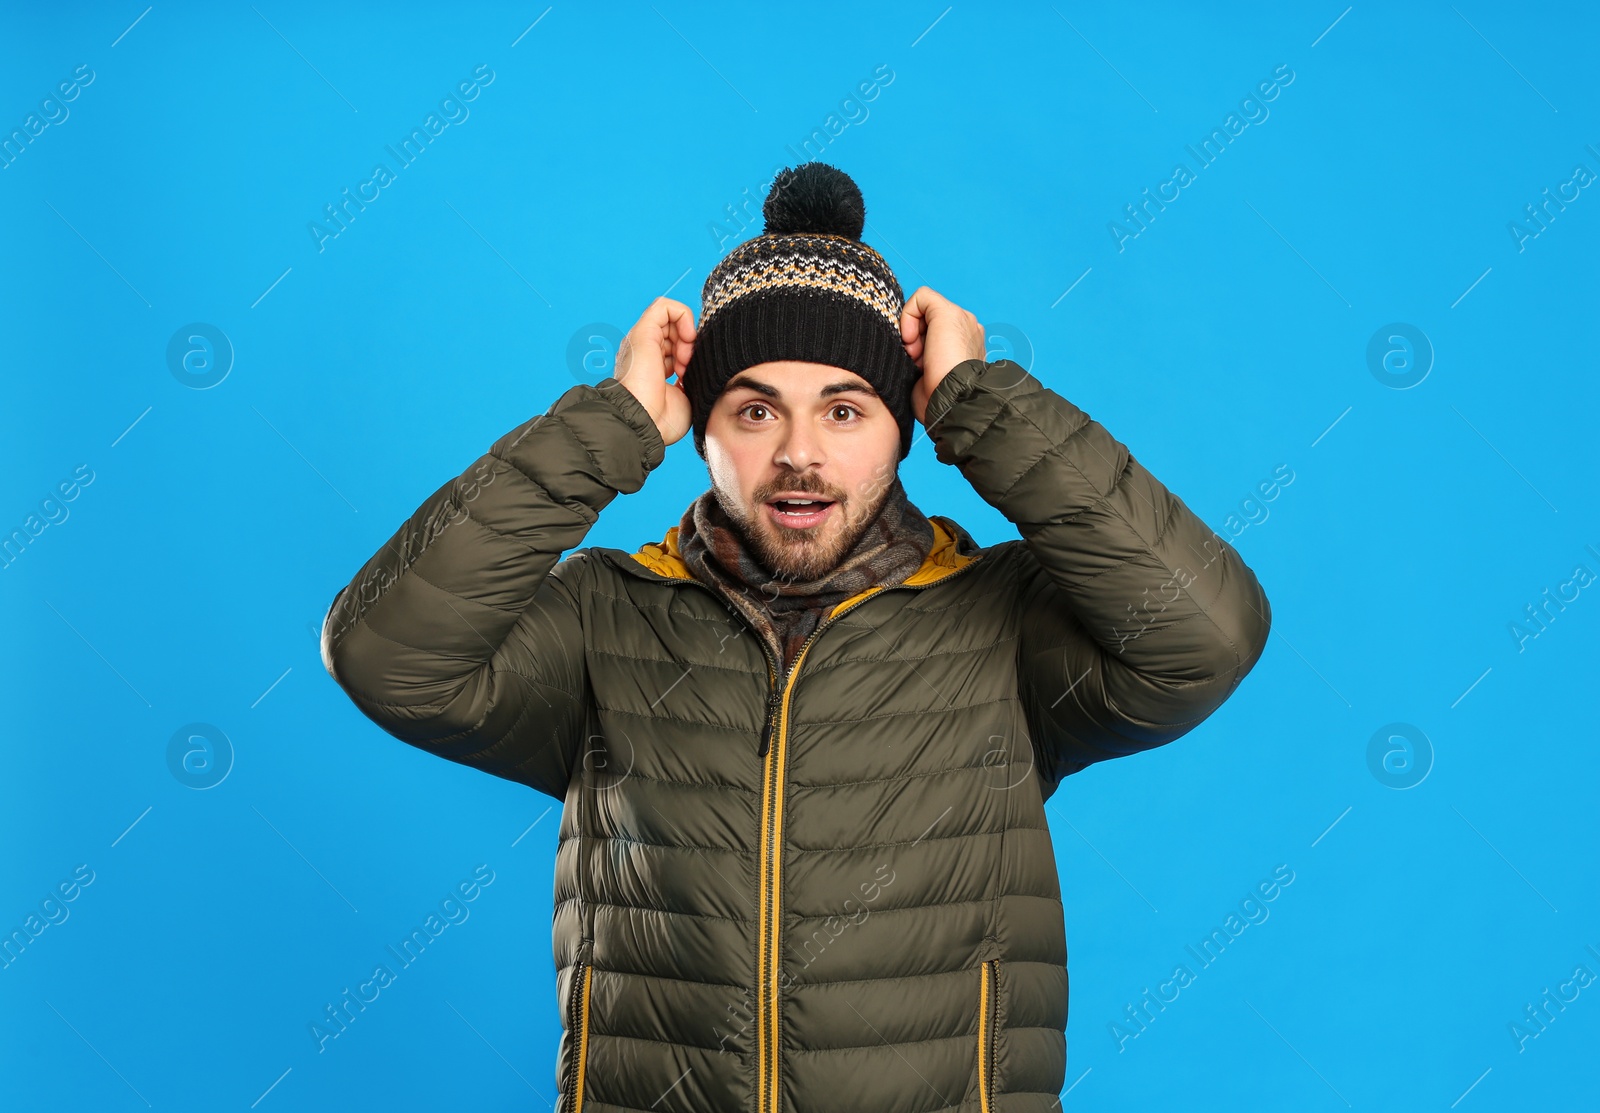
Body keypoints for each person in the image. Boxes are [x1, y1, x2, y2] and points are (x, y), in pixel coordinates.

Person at [321, 162, 1271, 1112]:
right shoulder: (603, 617)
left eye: (847, 409)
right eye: (755, 409)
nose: (800, 454)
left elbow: (1207, 634)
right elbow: (386, 656)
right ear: (698, 432)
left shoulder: (1002, 620)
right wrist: (607, 426)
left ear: (905, 430)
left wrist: (982, 402)